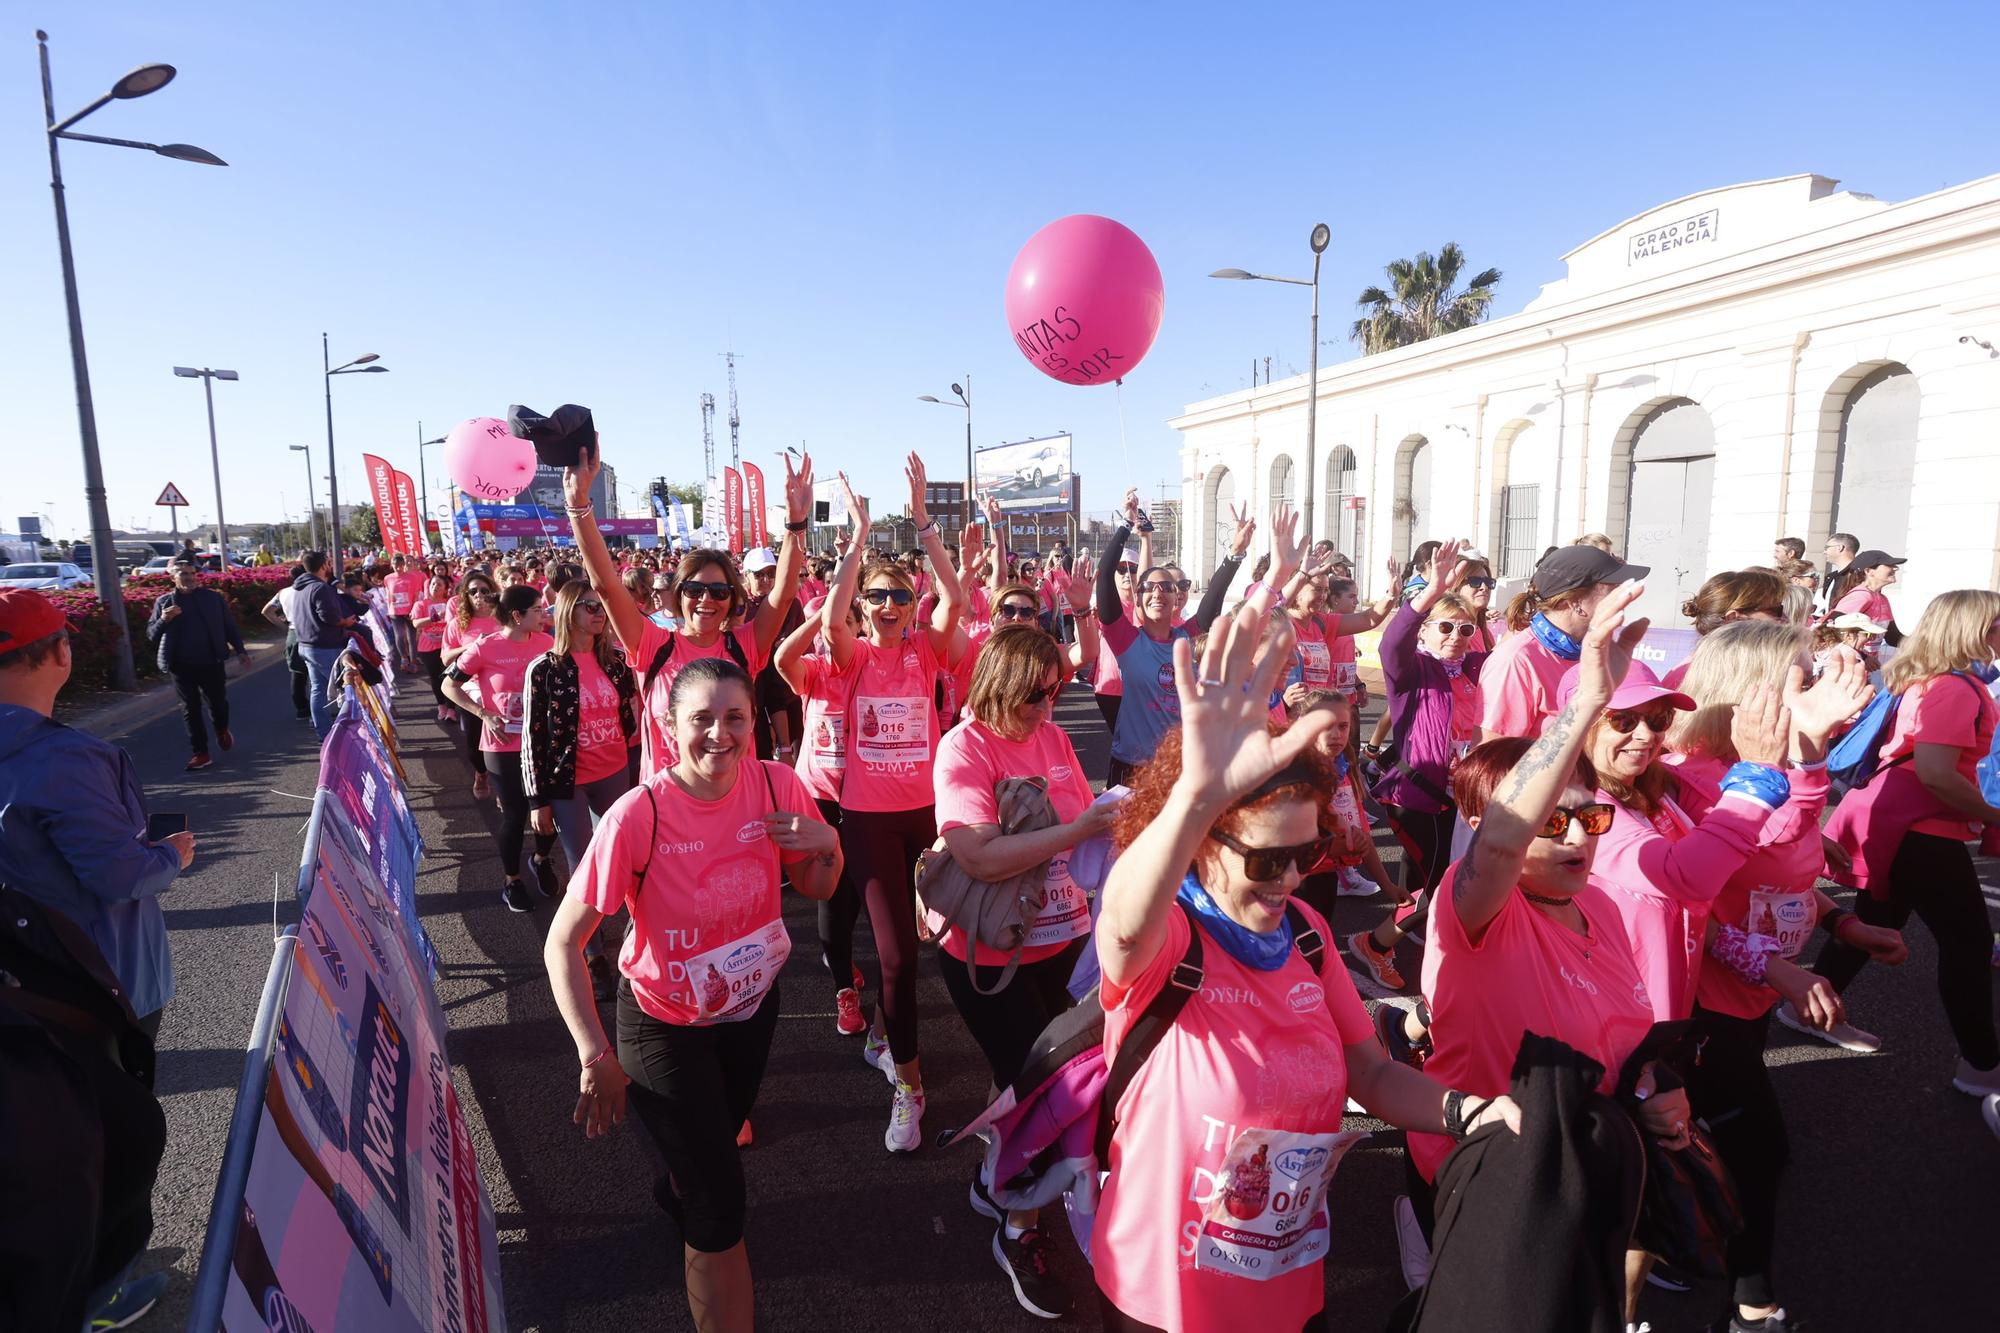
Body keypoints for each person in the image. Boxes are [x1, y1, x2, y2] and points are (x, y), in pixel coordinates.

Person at [1091, 601, 1519, 1333]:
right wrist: (1196, 796)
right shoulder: (1171, 938)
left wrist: (1467, 1110)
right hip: (1167, 1289)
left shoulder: (1309, 934)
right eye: (1265, 857)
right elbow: (1122, 919)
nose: (1288, 878)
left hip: (1286, 1270)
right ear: (1205, 843)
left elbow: (1373, 1074)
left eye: (1307, 853)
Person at [543, 657, 841, 1333]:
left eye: (734, 717)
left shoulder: (776, 784)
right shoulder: (637, 814)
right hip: (663, 1026)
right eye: (700, 719)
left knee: (708, 1150)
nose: (719, 734)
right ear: (669, 725)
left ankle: (678, 1179)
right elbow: (562, 943)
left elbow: (819, 885)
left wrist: (830, 844)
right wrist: (593, 1053)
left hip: (751, 1009)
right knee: (720, 1203)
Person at [1410, 584, 1689, 1250]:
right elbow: (1505, 837)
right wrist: (1589, 700)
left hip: (1584, 1153)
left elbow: (1624, 1029)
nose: (1577, 838)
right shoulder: (1475, 907)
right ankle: (1418, 1233)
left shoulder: (1599, 905)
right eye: (1552, 821)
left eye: (1589, 818)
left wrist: (1657, 1084)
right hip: (1492, 1156)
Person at [1663, 621, 1903, 1331]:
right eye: (1804, 677)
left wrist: (1841, 925)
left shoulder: (1785, 771)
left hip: (1754, 996)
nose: (1823, 689)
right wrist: (1785, 971)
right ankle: (1751, 1304)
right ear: (1754, 694)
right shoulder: (1698, 784)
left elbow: (1785, 874)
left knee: (1737, 1144)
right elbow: (1696, 908)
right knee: (1758, 1151)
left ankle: (1681, 1234)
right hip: (1703, 1002)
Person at [932, 624, 1118, 1318]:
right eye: (1037, 695)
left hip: (1063, 942)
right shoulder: (965, 747)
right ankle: (1017, 1227)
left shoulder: (1053, 736)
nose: (1049, 706)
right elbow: (977, 855)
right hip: (989, 957)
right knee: (1045, 1094)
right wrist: (1077, 832)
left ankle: (993, 1179)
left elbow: (1080, 806)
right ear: (1002, 683)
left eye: (1057, 691)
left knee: (1027, 1082)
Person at [809, 461, 965, 1151]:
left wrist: (924, 518)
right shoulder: (850, 657)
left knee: (934, 945)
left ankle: (880, 1029)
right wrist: (857, 541)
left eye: (900, 595)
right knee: (899, 957)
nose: (889, 606)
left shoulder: (929, 652)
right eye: (877, 597)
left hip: (929, 816)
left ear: (913, 601)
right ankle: (909, 1083)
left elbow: (957, 600)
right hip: (868, 820)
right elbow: (833, 615)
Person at [1814, 589, 2000, 1097]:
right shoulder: (1955, 687)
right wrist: (1989, 815)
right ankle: (1981, 1066)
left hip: (1897, 822)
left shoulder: (1932, 679)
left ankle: (1803, 1008)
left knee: (1875, 923)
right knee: (1968, 945)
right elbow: (1937, 774)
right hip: (1918, 829)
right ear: (1974, 630)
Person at [0, 589, 195, 1043]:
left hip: (22, 976)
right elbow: (119, 876)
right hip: (95, 982)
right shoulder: (65, 761)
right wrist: (170, 856)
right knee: (114, 1109)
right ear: (60, 651)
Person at [565, 441, 809, 781]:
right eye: (695, 590)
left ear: (731, 599)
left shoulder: (744, 645)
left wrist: (795, 524)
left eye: (719, 591)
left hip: (739, 807)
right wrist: (578, 505)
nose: (706, 599)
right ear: (678, 596)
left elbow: (782, 597)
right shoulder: (652, 644)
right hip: (668, 812)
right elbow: (606, 585)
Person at [1349, 541, 1493, 991]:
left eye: (1464, 629)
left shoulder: (1474, 668)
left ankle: (1420, 937)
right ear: (1426, 631)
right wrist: (1430, 592)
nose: (1455, 636)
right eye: (1445, 627)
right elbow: (1393, 640)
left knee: (1423, 876)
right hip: (1416, 796)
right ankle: (1374, 945)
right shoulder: (1411, 670)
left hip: (1461, 795)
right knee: (1446, 886)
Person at [1094, 490, 1273, 785]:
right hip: (1132, 767)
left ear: (1177, 598)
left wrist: (1235, 553)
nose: (1157, 593)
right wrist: (1126, 524)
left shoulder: (1188, 639)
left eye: (1166, 588)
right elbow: (1104, 582)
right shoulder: (1126, 640)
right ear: (1137, 600)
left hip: (1181, 765)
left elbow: (1212, 602)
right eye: (1148, 588)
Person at [524, 580, 638, 1000]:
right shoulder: (545, 668)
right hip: (567, 780)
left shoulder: (616, 662)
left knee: (626, 856)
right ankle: (593, 954)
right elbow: (532, 735)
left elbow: (635, 717)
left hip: (615, 772)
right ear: (568, 610)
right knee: (584, 864)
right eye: (589, 605)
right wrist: (537, 799)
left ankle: (634, 935)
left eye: (600, 605)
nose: (598, 612)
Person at [443, 585, 558, 912]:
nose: (543, 614)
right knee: (515, 815)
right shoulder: (484, 648)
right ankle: (512, 881)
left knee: (549, 815)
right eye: (537, 609)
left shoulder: (547, 644)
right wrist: (483, 714)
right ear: (517, 615)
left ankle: (541, 858)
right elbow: (448, 684)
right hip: (502, 746)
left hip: (541, 744)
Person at [1482, 544, 1648, 739]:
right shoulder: (1515, 661)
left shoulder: (1598, 651)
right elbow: (1490, 757)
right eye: (1612, 587)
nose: (1623, 595)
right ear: (1574, 601)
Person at [146, 561, 250, 771]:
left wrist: (240, 651)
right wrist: (164, 619)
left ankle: (221, 729)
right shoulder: (164, 602)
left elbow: (229, 626)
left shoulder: (212, 598)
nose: (189, 577)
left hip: (211, 661)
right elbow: (151, 635)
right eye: (183, 574)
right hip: (180, 665)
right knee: (190, 708)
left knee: (218, 704)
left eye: (192, 573)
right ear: (173, 577)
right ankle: (201, 753)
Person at [1659, 568, 1790, 688]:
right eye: (1776, 610)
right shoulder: (1691, 680)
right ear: (1733, 618)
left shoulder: (1748, 670)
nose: (1785, 619)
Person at [441, 571, 503, 798]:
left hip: (502, 690)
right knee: (474, 743)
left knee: (505, 741)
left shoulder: (503, 617)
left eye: (484, 590)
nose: (479, 595)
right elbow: (446, 659)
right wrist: (473, 646)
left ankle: (502, 788)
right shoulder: (458, 624)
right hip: (469, 690)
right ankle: (481, 773)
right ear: (465, 596)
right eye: (473, 591)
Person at [292, 550, 360, 738]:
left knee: (318, 689)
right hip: (325, 646)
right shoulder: (320, 588)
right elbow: (329, 616)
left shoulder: (298, 587)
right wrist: (345, 622)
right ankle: (349, 734)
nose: (330, 566)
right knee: (346, 689)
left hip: (306, 645)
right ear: (323, 566)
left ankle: (324, 733)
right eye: (328, 563)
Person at [260, 564, 312, 721]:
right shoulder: (312, 590)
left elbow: (266, 611)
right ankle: (318, 712)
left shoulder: (282, 593)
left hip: (293, 634)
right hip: (311, 634)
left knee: (297, 674)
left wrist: (285, 627)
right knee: (316, 676)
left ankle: (301, 709)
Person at [410, 571, 457, 722]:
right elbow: (416, 623)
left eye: (439, 584)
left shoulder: (450, 603)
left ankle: (451, 709)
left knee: (449, 676)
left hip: (448, 646)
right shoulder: (421, 604)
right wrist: (433, 618)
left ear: (446, 588)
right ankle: (441, 706)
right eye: (433, 584)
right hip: (427, 646)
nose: (435, 586)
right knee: (435, 678)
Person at [1831, 549, 1904, 636]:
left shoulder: (1883, 599)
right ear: (1869, 571)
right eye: (1889, 565)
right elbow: (1831, 629)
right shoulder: (1859, 596)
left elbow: (1892, 637)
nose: (1895, 568)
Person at [385, 553, 428, 669]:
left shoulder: (412, 577)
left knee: (412, 637)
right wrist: (388, 608)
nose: (398, 568)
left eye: (400, 565)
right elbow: (388, 594)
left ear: (403, 565)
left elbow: (416, 594)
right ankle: (404, 658)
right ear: (392, 565)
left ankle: (413, 661)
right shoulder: (388, 578)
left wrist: (414, 610)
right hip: (395, 611)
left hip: (409, 610)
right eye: (395, 565)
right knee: (399, 635)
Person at [1816, 532, 1859, 616]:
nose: (1824, 552)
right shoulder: (1831, 577)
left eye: (1827, 548)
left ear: (1840, 548)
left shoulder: (1859, 576)